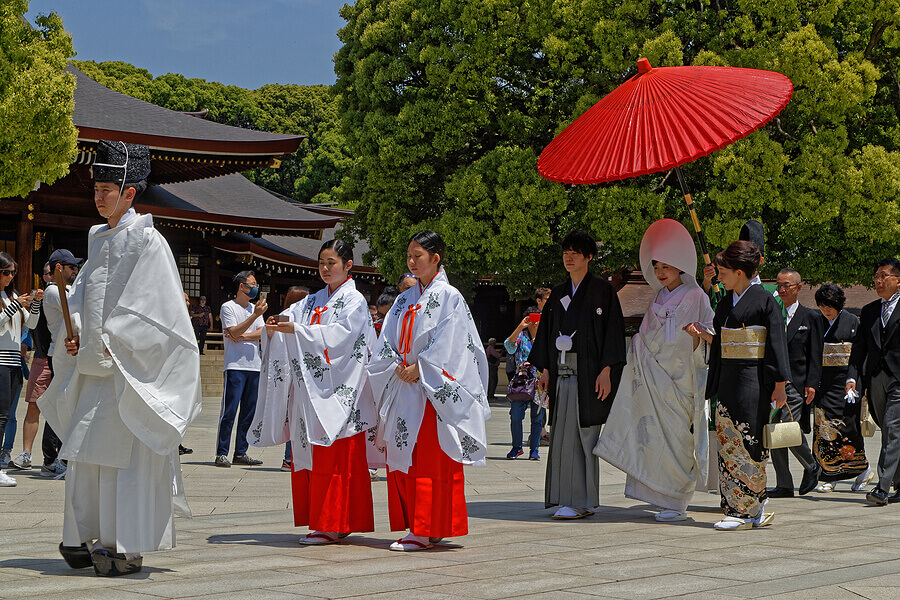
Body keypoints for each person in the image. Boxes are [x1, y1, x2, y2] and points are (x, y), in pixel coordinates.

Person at [38, 140, 201, 575]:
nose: (99, 196)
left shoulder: (147, 239)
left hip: (128, 370)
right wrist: (74, 332)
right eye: (96, 189)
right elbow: (84, 294)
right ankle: (80, 537)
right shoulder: (98, 237)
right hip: (93, 368)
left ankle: (120, 546)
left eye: (108, 189)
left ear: (130, 193)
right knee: (84, 455)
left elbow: (158, 308)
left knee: (116, 460)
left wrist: (114, 336)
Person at [367, 230, 490, 551]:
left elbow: (455, 344)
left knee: (430, 461)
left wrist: (420, 367)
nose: (412, 261)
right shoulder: (404, 299)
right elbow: (387, 338)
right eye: (409, 255)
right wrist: (395, 364)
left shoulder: (450, 297)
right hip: (405, 388)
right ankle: (423, 526)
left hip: (434, 391)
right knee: (406, 457)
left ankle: (424, 529)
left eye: (418, 255)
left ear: (436, 259)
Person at [253, 240, 377, 545]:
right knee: (312, 457)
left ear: (348, 265)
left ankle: (333, 522)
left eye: (332, 262)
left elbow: (343, 338)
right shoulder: (312, 301)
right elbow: (290, 319)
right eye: (321, 262)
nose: (325, 268)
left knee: (336, 459)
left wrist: (297, 331)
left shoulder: (354, 301)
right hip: (310, 393)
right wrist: (277, 323)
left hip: (339, 392)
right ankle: (327, 521)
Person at [595, 219, 713, 522]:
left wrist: (700, 333)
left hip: (682, 379)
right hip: (654, 377)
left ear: (680, 267)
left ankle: (678, 500)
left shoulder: (697, 295)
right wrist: (640, 348)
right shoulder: (658, 297)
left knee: (679, 437)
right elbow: (644, 337)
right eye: (657, 266)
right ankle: (662, 496)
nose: (660, 272)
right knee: (656, 437)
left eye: (666, 266)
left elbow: (712, 332)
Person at [685, 240, 790, 530]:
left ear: (740, 272)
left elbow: (777, 343)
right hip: (728, 378)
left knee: (750, 444)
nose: (720, 276)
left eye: (723, 271)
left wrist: (779, 384)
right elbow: (720, 339)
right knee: (728, 442)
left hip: (754, 380)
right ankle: (741, 509)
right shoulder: (726, 301)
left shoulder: (766, 300)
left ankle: (746, 512)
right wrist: (705, 336)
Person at [530, 231, 627, 520]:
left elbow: (613, 333)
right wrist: (545, 369)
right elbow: (547, 335)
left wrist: (607, 370)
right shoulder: (558, 292)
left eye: (575, 252)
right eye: (565, 252)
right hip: (561, 373)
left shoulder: (603, 290)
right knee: (561, 435)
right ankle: (567, 498)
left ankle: (582, 500)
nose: (568, 257)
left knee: (585, 435)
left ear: (589, 257)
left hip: (590, 373)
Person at [9, 255, 76, 477]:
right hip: (42, 356)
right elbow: (33, 327)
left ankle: (54, 457)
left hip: (57, 354)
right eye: (47, 275)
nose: (48, 280)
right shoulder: (52, 293)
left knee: (58, 407)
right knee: (36, 405)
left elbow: (33, 322)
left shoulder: (66, 293)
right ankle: (31, 454)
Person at [846, 258, 900, 506]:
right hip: (875, 378)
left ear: (898, 280)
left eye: (884, 276)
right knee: (885, 425)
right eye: (876, 276)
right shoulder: (868, 311)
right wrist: (852, 379)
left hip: (899, 379)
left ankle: (882, 487)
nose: (878, 281)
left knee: (891, 429)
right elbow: (859, 351)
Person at [767, 268, 823, 498]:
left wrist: (812, 383)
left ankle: (812, 465)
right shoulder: (771, 313)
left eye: (786, 285)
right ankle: (784, 484)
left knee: (787, 428)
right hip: (772, 382)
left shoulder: (812, 317)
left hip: (796, 384)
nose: (782, 290)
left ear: (799, 287)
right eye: (778, 285)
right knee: (774, 432)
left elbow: (815, 353)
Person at [812, 283, 871, 492]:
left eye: (830, 306)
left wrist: (853, 379)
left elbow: (857, 354)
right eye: (822, 306)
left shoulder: (852, 321)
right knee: (824, 427)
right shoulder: (817, 321)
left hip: (847, 380)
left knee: (848, 426)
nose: (826, 310)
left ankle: (862, 468)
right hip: (823, 381)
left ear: (839, 304)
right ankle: (830, 475)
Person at [216, 271, 267, 467]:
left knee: (248, 412)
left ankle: (241, 452)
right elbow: (232, 331)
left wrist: (243, 336)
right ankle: (221, 452)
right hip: (235, 365)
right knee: (229, 411)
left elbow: (261, 332)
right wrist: (253, 317)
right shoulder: (228, 307)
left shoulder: (255, 309)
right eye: (252, 284)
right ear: (241, 286)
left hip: (254, 366)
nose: (255, 287)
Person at [0, 252, 42, 487]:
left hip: (14, 362)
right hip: (0, 361)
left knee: (6, 415)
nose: (10, 276)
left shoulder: (12, 295)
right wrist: (16, 304)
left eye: (13, 272)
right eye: (6, 272)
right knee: (0, 416)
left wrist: (34, 304)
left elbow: (33, 324)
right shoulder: (11, 299)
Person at [504, 306, 543, 460]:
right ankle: (516, 447)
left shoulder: (546, 336)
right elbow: (509, 347)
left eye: (538, 318)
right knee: (515, 415)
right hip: (521, 381)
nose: (534, 322)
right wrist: (521, 326)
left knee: (538, 418)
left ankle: (535, 449)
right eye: (531, 318)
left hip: (540, 381)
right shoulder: (521, 336)